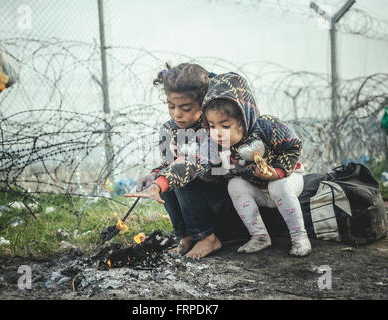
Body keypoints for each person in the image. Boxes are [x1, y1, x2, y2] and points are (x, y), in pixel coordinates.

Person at [127, 72, 311, 257]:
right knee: (235, 185)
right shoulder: (213, 144)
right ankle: (260, 237)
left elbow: (293, 145)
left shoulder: (266, 126)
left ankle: (299, 237)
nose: (217, 133)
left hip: (285, 178)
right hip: (255, 188)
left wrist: (277, 171)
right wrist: (158, 184)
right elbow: (189, 163)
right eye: (212, 127)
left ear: (242, 119)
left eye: (225, 126)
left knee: (278, 185)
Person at [134, 63, 246, 259]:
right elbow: (168, 165)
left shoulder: (214, 128)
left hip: (226, 205)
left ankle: (207, 238)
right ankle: (185, 236)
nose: (177, 113)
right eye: (171, 106)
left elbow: (193, 164)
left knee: (182, 173)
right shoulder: (169, 129)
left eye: (185, 108)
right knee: (165, 174)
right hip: (197, 209)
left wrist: (173, 170)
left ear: (203, 104)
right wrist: (153, 175)